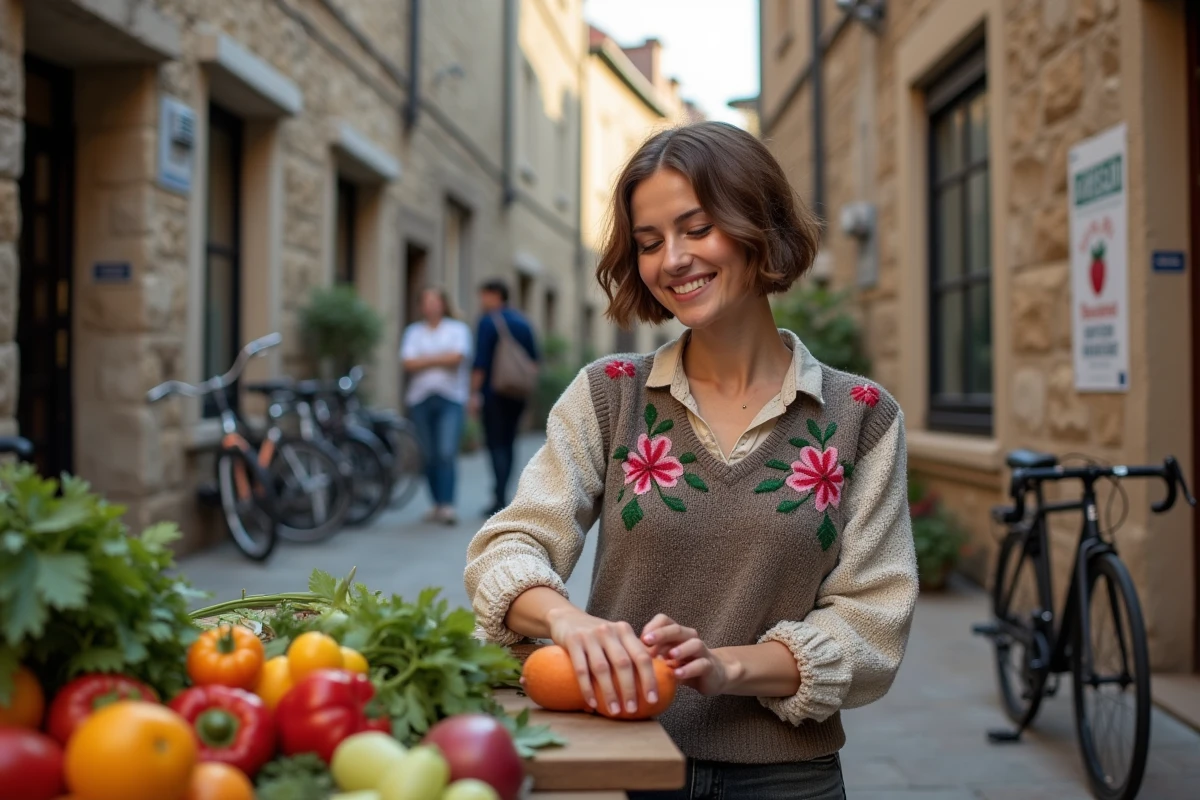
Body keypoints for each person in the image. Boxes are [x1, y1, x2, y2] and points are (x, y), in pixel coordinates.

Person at [465, 121, 918, 799]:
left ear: (757, 225)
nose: (671, 259)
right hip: (617, 759)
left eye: (696, 228)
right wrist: (568, 622)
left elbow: (869, 622)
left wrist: (724, 667)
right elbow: (512, 542)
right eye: (649, 243)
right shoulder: (610, 394)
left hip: (786, 779)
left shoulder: (860, 416)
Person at [401, 287, 473, 525]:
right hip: (420, 399)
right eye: (426, 301)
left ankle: (447, 505)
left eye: (435, 301)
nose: (431, 306)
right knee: (428, 454)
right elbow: (408, 363)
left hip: (450, 398)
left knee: (445, 451)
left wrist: (425, 360)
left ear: (443, 304)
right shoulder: (413, 332)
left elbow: (457, 359)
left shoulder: (457, 329)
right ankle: (436, 503)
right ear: (421, 306)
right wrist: (440, 358)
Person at [470, 279, 539, 517]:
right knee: (509, 441)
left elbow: (480, 363)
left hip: (493, 392)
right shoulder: (523, 321)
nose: (481, 301)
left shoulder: (488, 322)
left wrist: (473, 393)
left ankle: (498, 495)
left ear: (495, 295)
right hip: (517, 392)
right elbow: (534, 361)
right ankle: (503, 491)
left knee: (495, 442)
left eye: (484, 295)